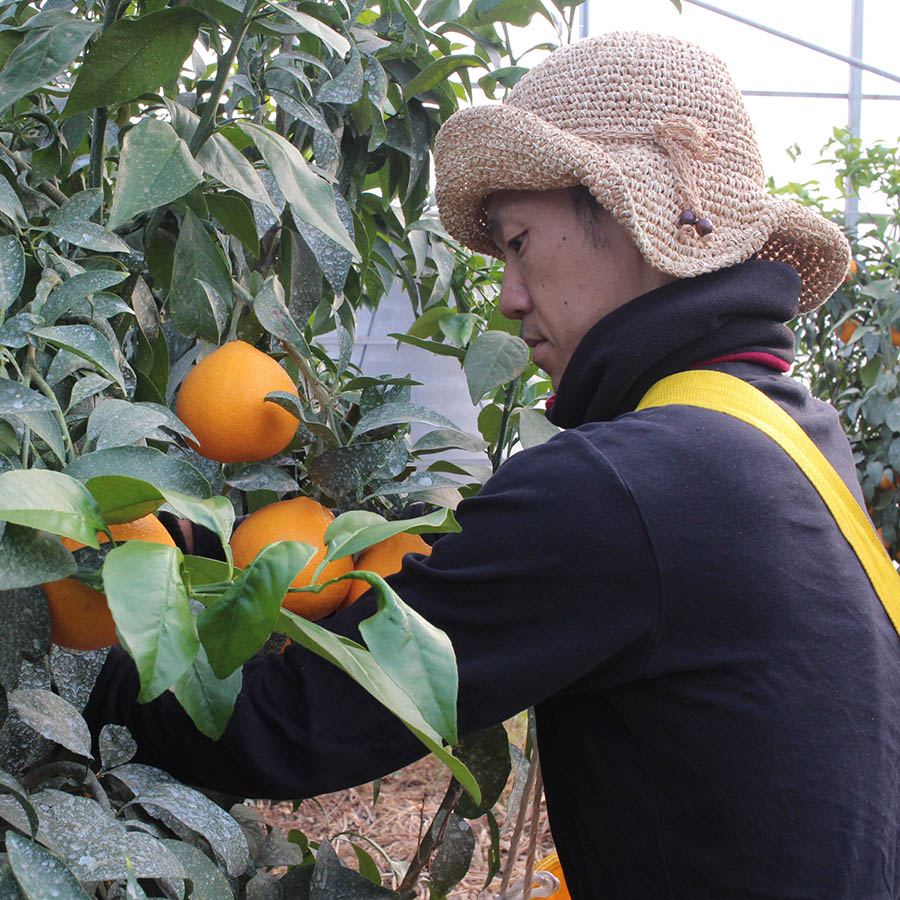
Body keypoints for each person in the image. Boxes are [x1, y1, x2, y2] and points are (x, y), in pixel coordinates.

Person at [85, 32, 900, 899]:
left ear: (629, 217)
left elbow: (286, 724)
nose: (508, 297)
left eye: (517, 243)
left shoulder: (631, 484)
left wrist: (113, 593)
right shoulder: (786, 430)